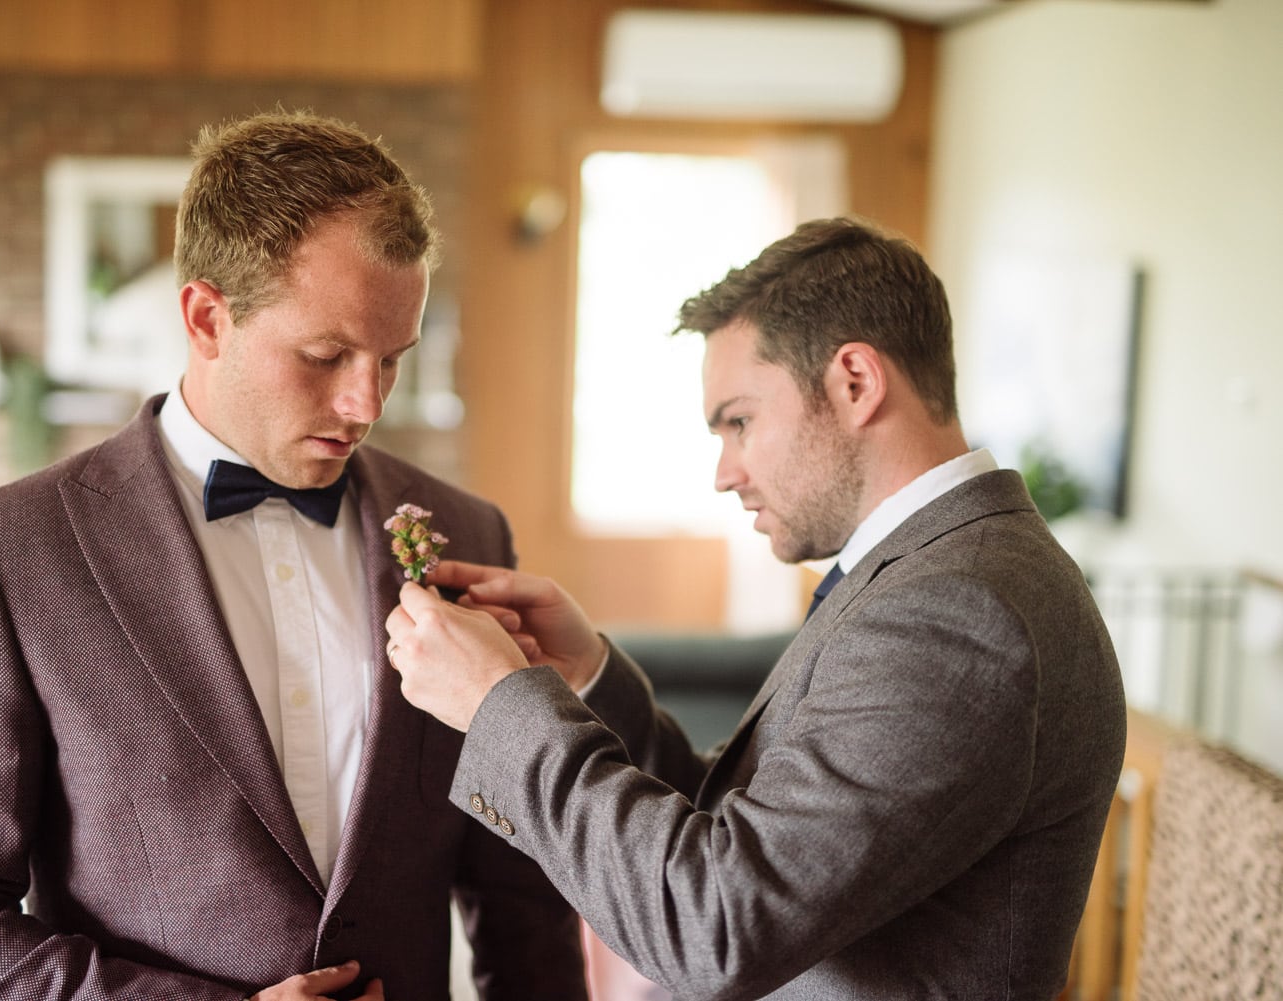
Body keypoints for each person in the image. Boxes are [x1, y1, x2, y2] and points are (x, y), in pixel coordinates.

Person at [0, 110, 587, 1001]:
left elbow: (520, 897)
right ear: (207, 318)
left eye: (393, 359)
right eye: (326, 355)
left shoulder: (465, 533)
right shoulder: (6, 554)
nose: (366, 403)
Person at [385, 216, 1127, 1000]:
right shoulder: (928, 572)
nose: (724, 471)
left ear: (855, 382)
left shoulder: (960, 612)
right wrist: (590, 676)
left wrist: (500, 705)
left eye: (739, 420)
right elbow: (759, 837)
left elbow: (717, 926)